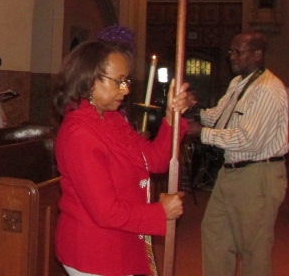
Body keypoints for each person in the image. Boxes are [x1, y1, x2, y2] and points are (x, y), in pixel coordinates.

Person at [54, 39, 193, 276]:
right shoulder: (80, 134)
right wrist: (160, 212)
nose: (126, 89)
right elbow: (106, 211)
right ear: (89, 80)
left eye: (126, 81)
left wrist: (171, 116)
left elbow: (153, 159)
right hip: (94, 251)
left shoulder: (112, 119)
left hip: (117, 242)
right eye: (118, 81)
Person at [199, 31, 287, 276]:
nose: (231, 57)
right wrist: (193, 111)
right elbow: (219, 117)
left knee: (253, 249)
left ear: (257, 55)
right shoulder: (239, 83)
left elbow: (249, 140)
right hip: (231, 173)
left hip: (257, 174)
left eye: (238, 52)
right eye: (231, 52)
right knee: (215, 235)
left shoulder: (268, 89)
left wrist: (202, 133)